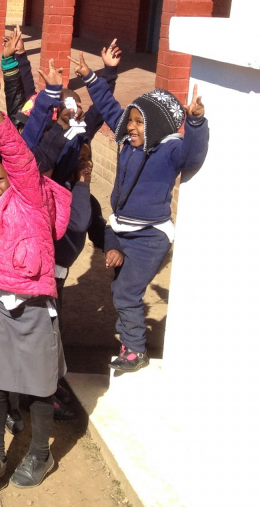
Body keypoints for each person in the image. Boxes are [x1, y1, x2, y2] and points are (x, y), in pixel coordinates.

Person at [0, 73, 71, 490]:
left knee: (41, 388)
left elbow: (21, 161)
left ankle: (40, 454)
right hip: (1, 307)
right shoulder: (3, 209)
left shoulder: (32, 195)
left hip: (36, 308)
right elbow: (10, 244)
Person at [74, 45, 209, 373]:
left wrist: (195, 122)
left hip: (149, 236)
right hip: (119, 229)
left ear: (160, 125)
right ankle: (129, 342)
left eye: (139, 122)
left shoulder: (170, 150)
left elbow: (194, 155)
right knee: (122, 289)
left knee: (125, 291)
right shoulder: (127, 139)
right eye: (130, 121)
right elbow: (108, 108)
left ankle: (135, 349)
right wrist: (96, 76)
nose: (131, 127)